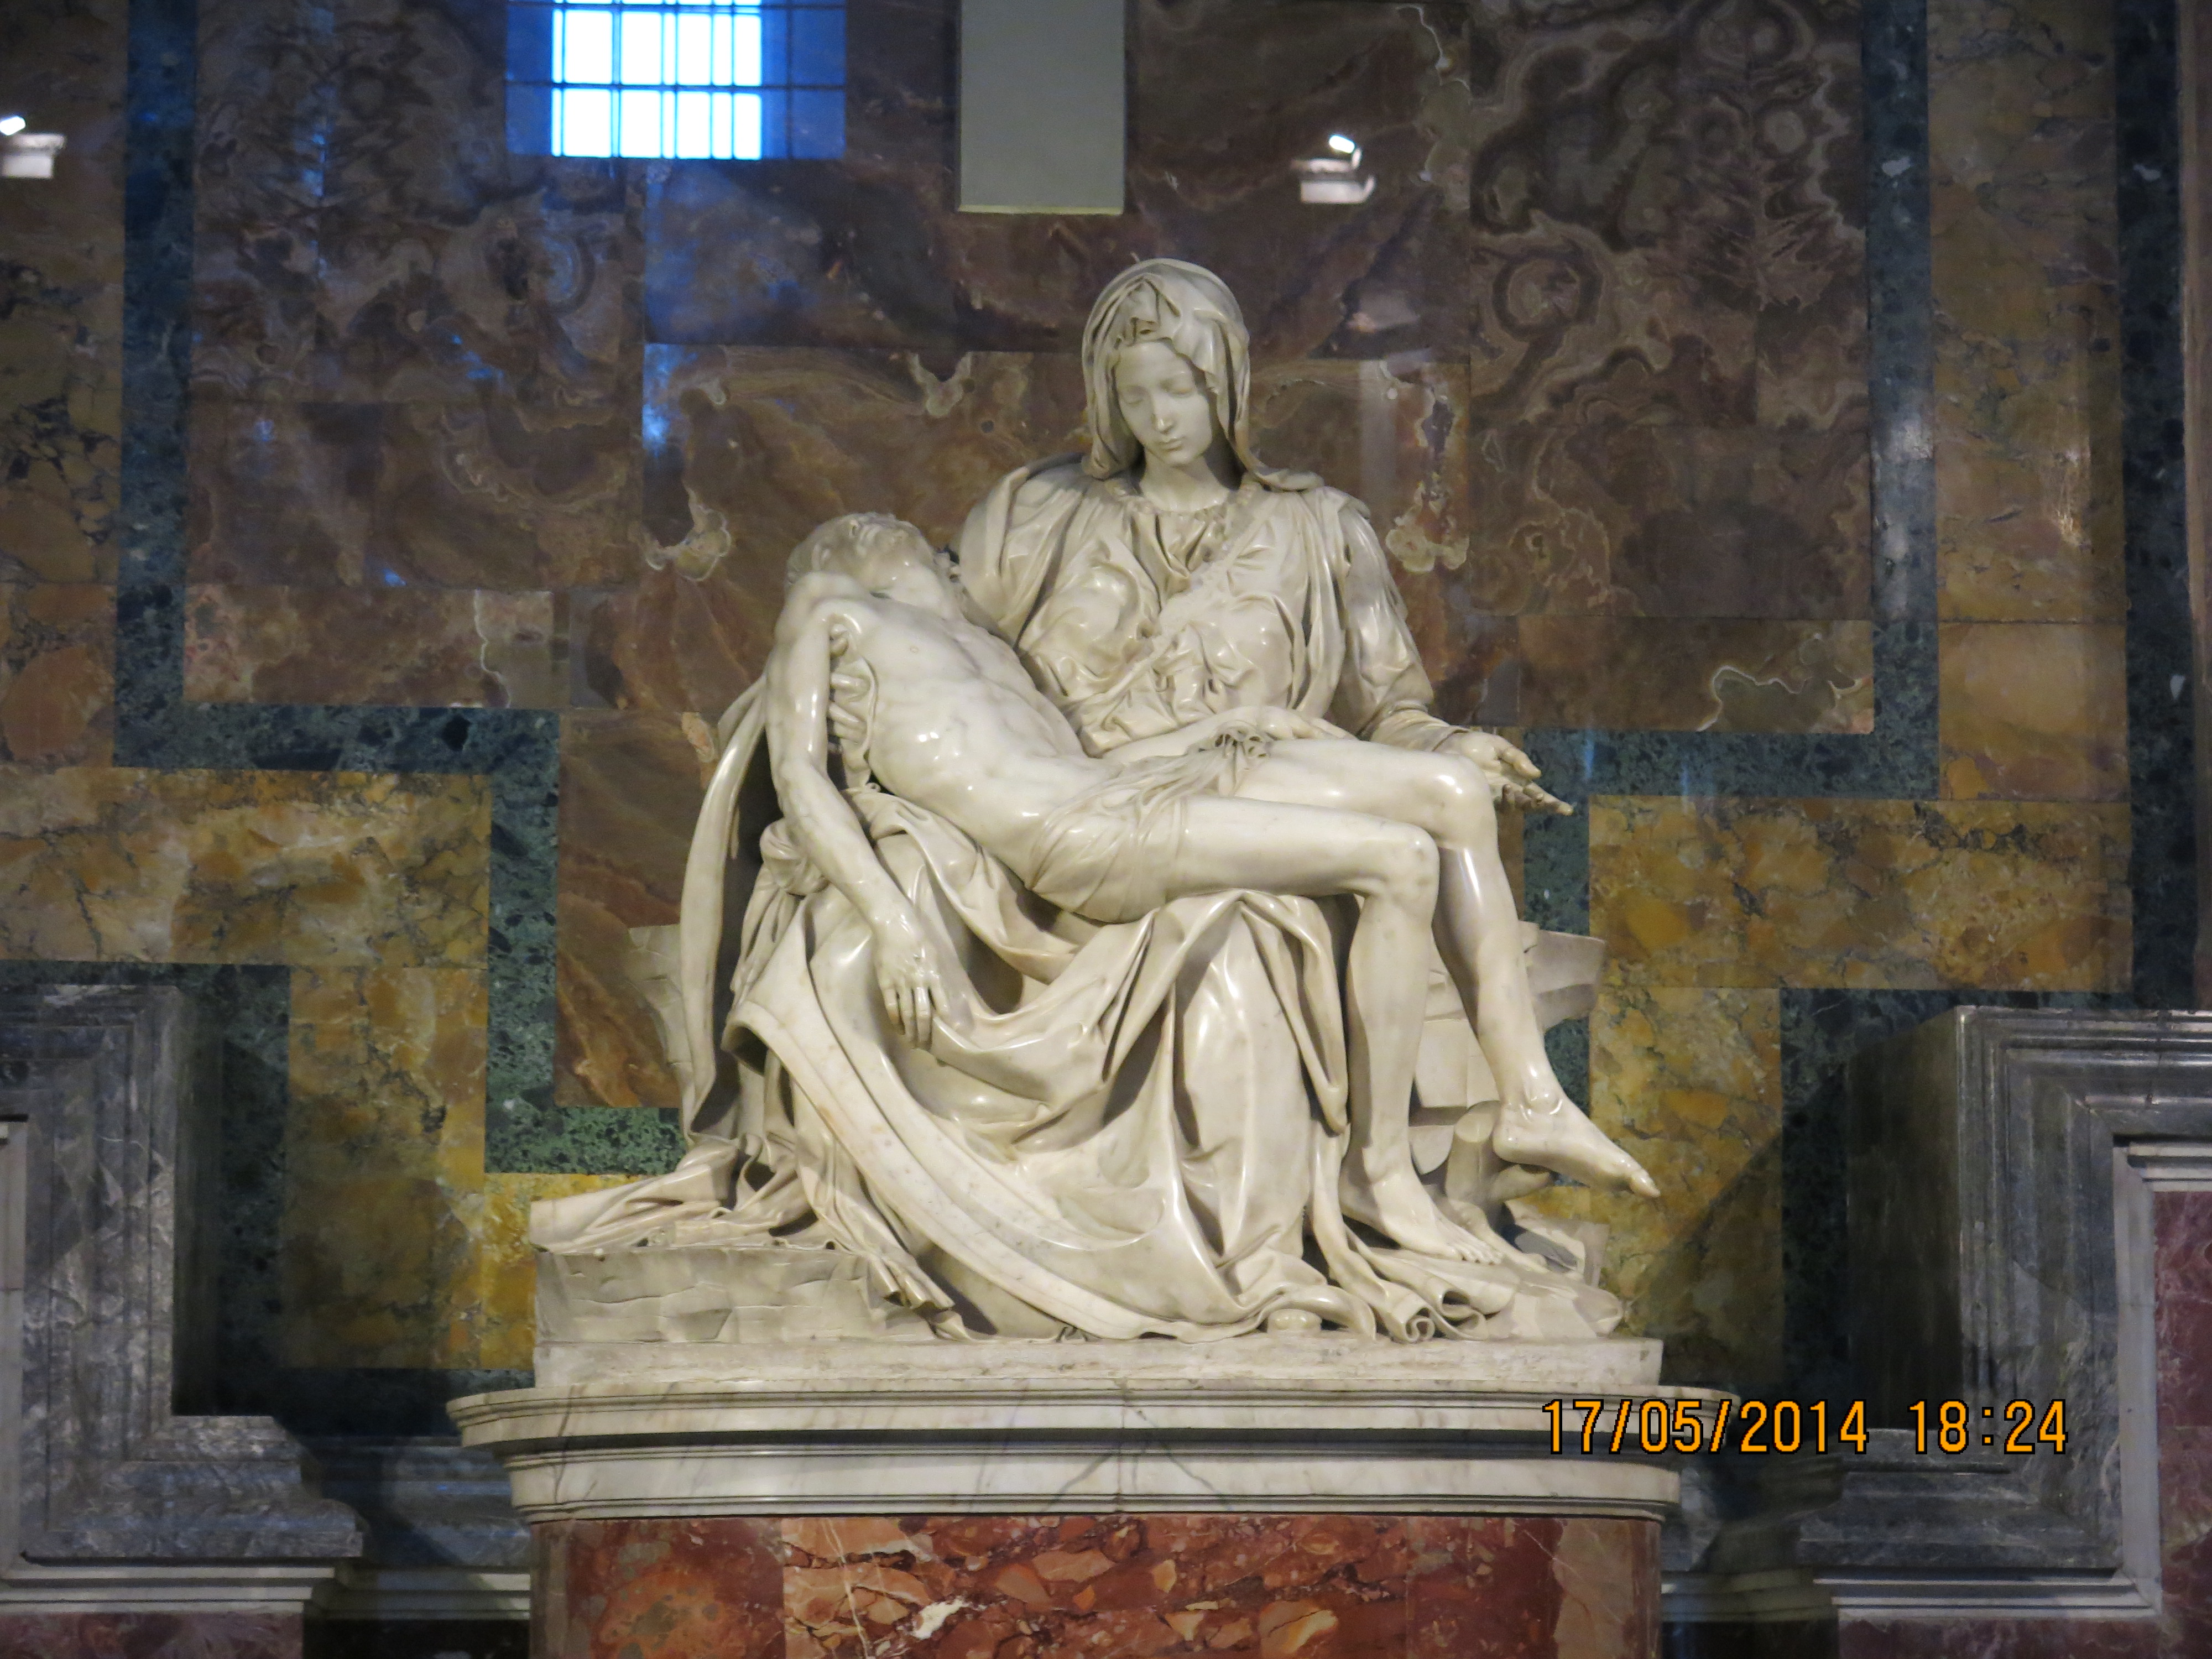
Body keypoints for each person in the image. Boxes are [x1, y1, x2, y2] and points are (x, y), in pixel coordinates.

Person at [957, 257, 1655, 1205]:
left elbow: (1385, 709)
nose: (1159, 418)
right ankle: (1444, 1141)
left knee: (1452, 789)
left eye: (1180, 390)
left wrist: (1446, 744)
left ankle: (1532, 1099)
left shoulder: (1321, 530)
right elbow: (936, 648)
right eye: (1134, 394)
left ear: (1227, 385)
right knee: (1402, 836)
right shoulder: (1037, 518)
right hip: (1103, 799)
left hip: (1249, 773)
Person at [770, 513, 1646, 1265]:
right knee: (1399, 862)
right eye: (935, 555)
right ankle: (1377, 1174)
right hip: (1082, 838)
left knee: (1450, 794)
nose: (956, 567)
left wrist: (1237, 724)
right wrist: (894, 922)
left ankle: (1534, 1099)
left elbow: (1077, 764)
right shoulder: (832, 605)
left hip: (1118, 791)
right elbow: (799, 774)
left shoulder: (990, 655)